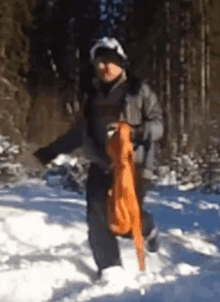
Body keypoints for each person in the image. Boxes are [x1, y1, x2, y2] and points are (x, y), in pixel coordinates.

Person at [34, 37, 164, 284]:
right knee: (97, 217)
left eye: (110, 61)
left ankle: (147, 228)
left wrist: (135, 132)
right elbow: (80, 133)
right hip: (102, 164)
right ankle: (110, 270)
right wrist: (51, 150)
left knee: (124, 220)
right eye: (99, 62)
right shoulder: (92, 97)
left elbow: (159, 126)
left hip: (133, 165)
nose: (105, 67)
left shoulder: (139, 90)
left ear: (121, 63)